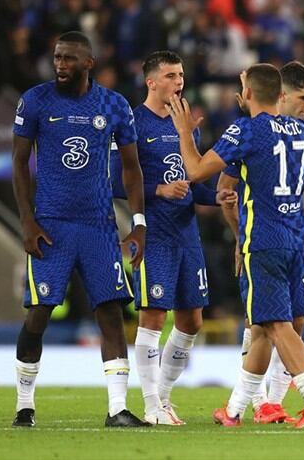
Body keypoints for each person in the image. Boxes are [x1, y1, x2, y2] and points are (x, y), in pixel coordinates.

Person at [170, 63, 304, 429]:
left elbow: (196, 171)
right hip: (295, 239)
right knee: (262, 326)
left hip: (264, 241)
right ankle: (235, 410)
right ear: (280, 95)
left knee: (276, 325)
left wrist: (183, 133)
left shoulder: (245, 130)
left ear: (247, 95)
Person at [10, 31, 149, 427]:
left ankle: (117, 410)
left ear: (90, 63)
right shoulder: (35, 100)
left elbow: (132, 169)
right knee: (39, 314)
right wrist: (27, 221)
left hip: (99, 227)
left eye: (69, 58)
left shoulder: (113, 105)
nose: (60, 65)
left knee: (110, 313)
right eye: (57, 57)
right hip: (50, 225)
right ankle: (24, 404)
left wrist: (137, 224)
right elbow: (19, 162)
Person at [111, 50, 236, 426]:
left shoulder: (188, 125)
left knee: (192, 321)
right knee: (153, 316)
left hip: (187, 234)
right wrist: (158, 191)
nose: (178, 81)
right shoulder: (132, 122)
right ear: (151, 82)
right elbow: (116, 181)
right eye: (170, 75)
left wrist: (215, 196)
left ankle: (163, 397)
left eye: (180, 75)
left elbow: (192, 182)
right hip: (155, 235)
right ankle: (151, 405)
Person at [217, 60, 304, 424]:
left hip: (283, 241)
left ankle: (257, 405)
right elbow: (225, 189)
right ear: (282, 95)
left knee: (283, 321)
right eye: (303, 98)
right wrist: (237, 237)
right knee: (264, 322)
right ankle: (257, 404)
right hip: (265, 239)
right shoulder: (263, 134)